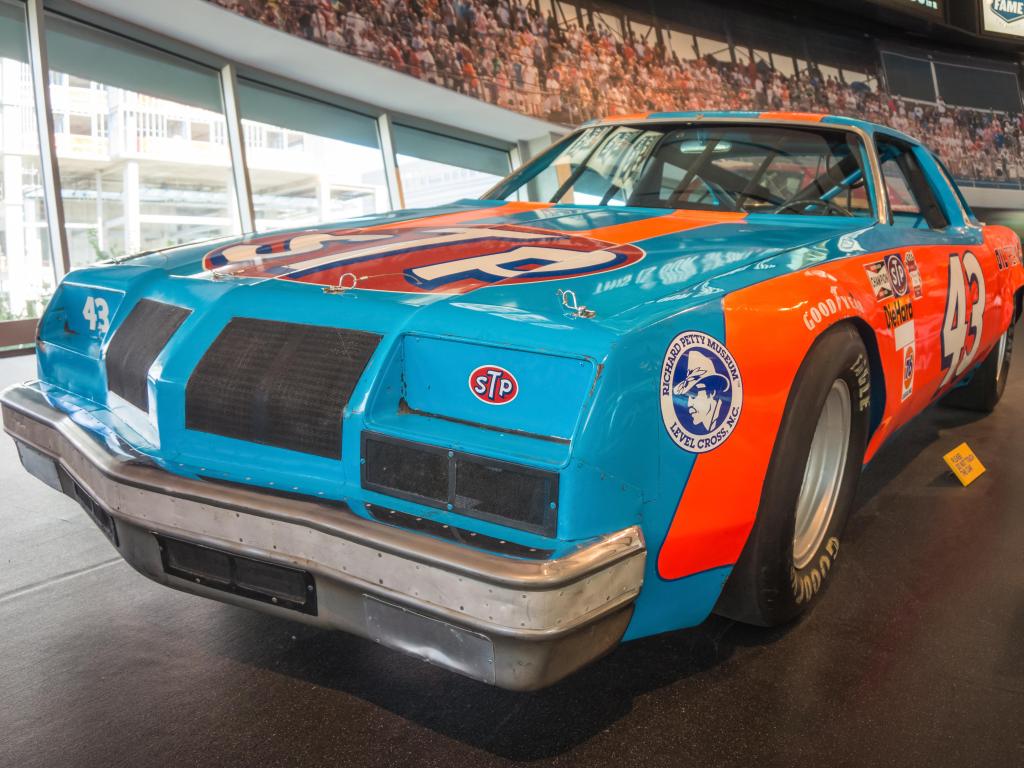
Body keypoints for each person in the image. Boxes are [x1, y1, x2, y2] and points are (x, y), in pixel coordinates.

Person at [672, 349, 730, 433]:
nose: (689, 404)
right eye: (687, 396)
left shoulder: (723, 417)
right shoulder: (705, 429)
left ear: (712, 393)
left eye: (694, 393)